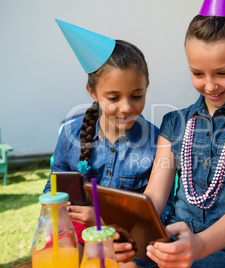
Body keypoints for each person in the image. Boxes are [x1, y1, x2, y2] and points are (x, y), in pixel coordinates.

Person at [115, 1, 225, 267]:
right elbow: (155, 197)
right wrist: (127, 229)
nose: (210, 85)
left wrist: (201, 245)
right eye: (197, 73)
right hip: (172, 239)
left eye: (223, 73)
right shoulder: (175, 123)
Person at [43, 19, 165, 262]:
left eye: (136, 95)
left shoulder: (157, 143)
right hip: (78, 236)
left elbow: (158, 216)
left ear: (147, 86)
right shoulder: (70, 135)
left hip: (129, 245)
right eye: (113, 97)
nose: (126, 107)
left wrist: (102, 221)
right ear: (92, 92)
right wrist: (59, 209)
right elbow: (54, 186)